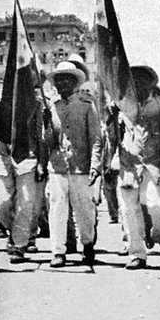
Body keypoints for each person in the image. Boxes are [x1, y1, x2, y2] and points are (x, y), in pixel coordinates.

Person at [117, 64, 160, 269]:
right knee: (129, 210)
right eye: (134, 80)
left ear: (151, 83)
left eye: (143, 80)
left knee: (157, 207)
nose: (138, 84)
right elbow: (112, 135)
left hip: (153, 165)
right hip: (128, 167)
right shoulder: (122, 105)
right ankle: (137, 254)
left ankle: (159, 236)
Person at [45, 62, 101, 268]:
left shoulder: (86, 105)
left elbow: (96, 138)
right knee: (57, 209)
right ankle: (58, 251)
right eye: (59, 80)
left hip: (80, 166)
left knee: (84, 210)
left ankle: (87, 244)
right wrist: (46, 126)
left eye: (66, 79)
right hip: (58, 165)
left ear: (74, 81)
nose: (62, 84)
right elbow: (49, 142)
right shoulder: (52, 106)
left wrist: (95, 165)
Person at [0, 87, 47, 264]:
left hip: (27, 155)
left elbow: (40, 135)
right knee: (2, 204)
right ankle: (15, 232)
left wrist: (41, 162)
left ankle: (19, 244)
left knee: (25, 203)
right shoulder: (3, 99)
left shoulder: (37, 105)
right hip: (4, 155)